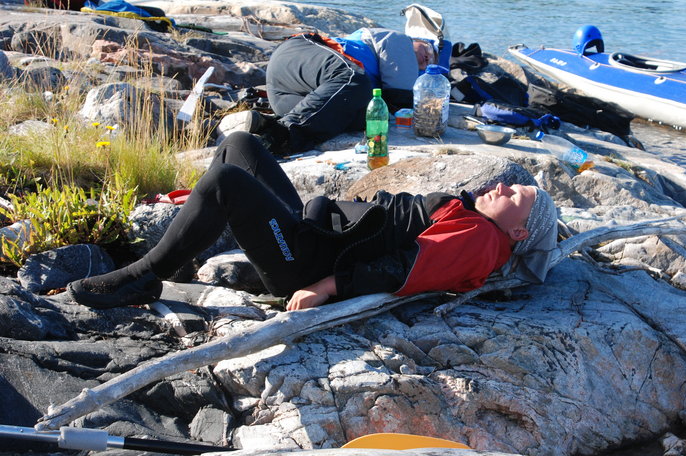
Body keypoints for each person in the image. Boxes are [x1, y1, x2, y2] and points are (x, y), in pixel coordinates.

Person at [68, 132, 558, 311]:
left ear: (519, 232)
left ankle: (143, 277)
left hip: (303, 262)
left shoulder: (481, 242)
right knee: (241, 146)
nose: (504, 184)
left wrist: (326, 285)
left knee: (226, 182)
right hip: (313, 230)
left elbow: (403, 270)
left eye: (517, 194)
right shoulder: (476, 217)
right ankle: (178, 258)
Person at [261, 28, 437, 153]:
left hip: (289, 98)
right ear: (415, 40)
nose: (428, 57)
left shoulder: (378, 83)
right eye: (427, 49)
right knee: (353, 79)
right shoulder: (398, 39)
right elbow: (401, 96)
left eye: (430, 63)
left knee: (362, 117)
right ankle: (278, 137)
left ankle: (260, 123)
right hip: (297, 55)